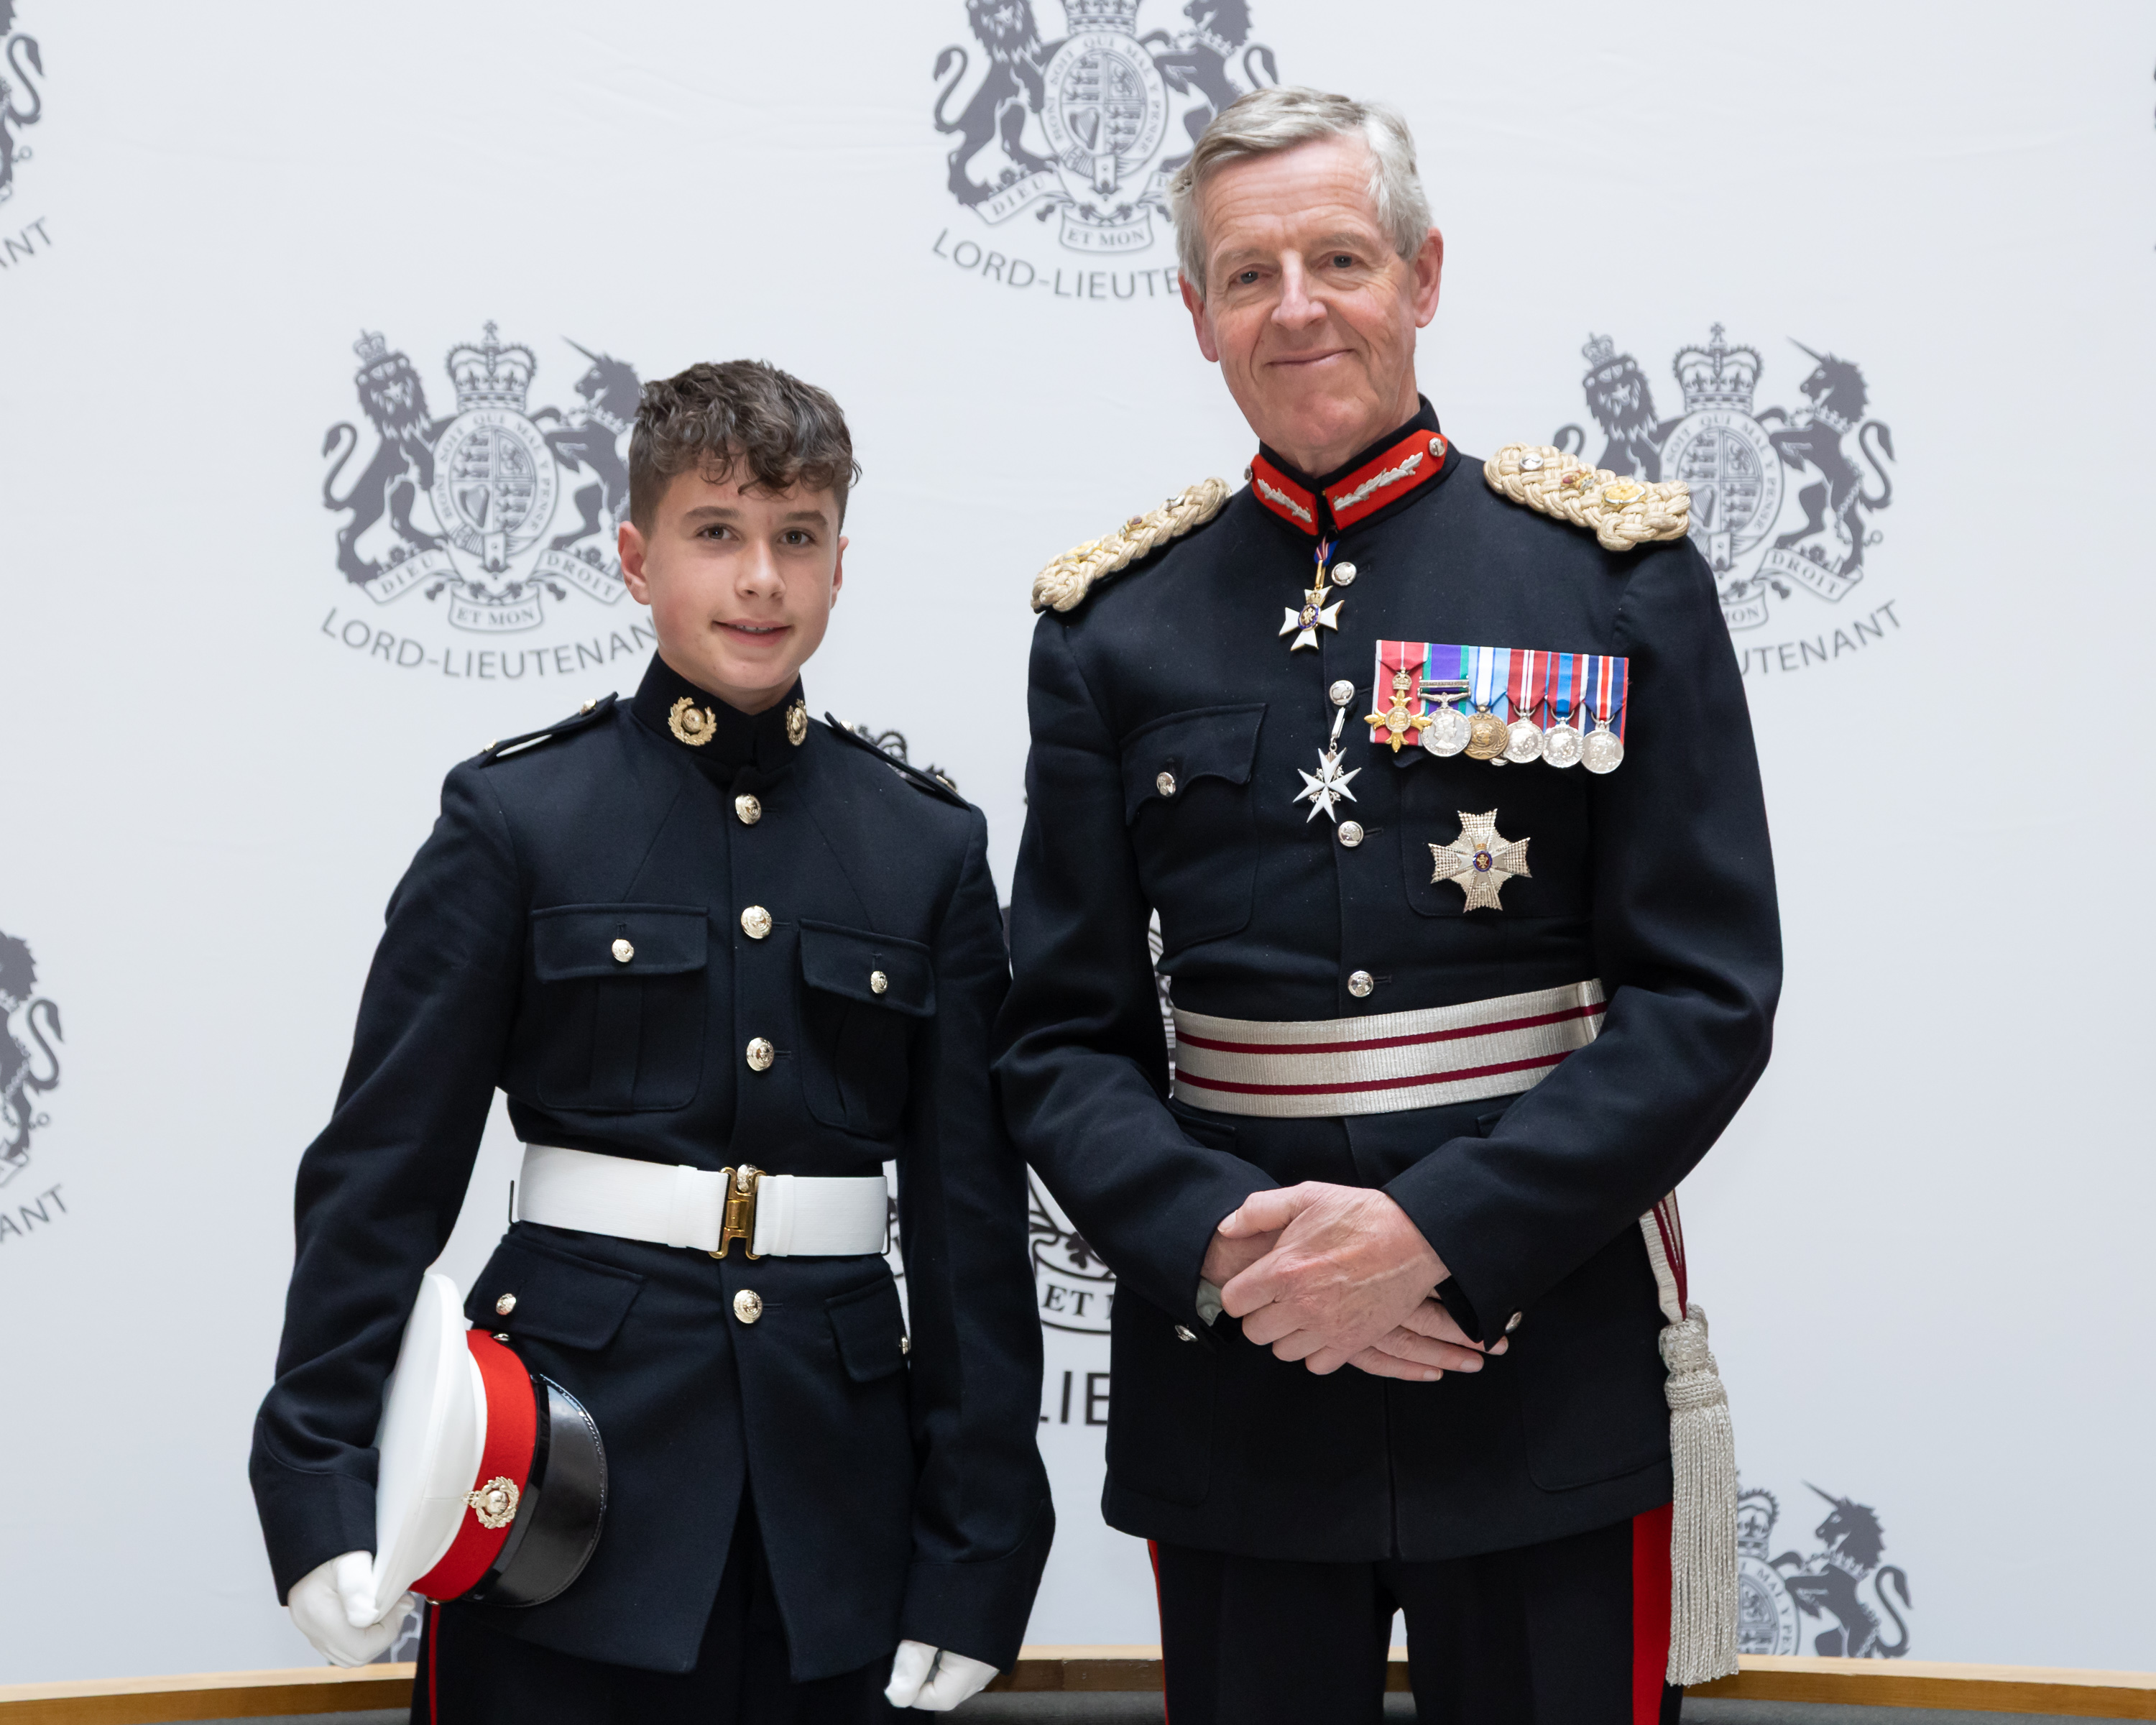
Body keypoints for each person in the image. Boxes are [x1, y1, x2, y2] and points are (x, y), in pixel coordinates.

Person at [994, 88, 1780, 1725]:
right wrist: (1233, 1253)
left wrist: (1437, 1237)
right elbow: (1061, 1038)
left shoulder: (1609, 580)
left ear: (1423, 276)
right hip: (1244, 1380)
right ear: (1196, 313)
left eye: (1339, 259)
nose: (1297, 308)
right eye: (1249, 273)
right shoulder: (1110, 631)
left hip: (1538, 1360)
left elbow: (1705, 997)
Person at [252, 359, 1052, 1721]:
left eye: (798, 537)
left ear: (841, 566)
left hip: (834, 1505)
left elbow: (971, 1235)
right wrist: (319, 1473)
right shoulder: (519, 822)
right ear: (635, 558)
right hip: (558, 1484)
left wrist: (980, 1547)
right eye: (716, 532)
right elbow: (382, 1176)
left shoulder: (923, 848)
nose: (762, 579)